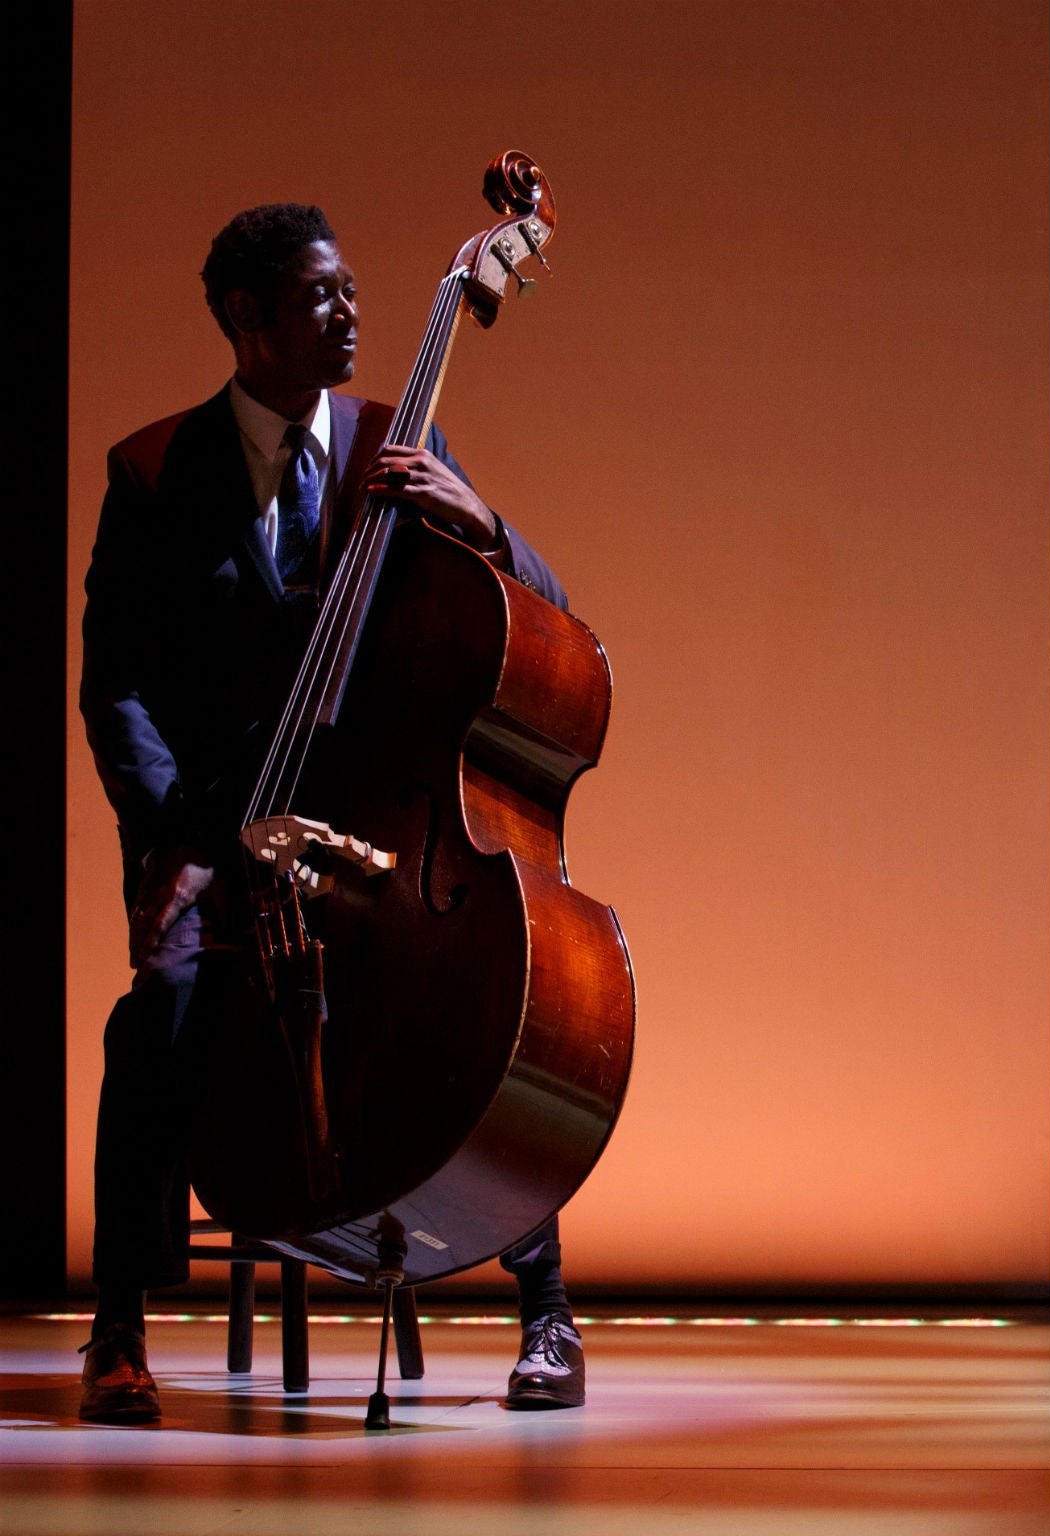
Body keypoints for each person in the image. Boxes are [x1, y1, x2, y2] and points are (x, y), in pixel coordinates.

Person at [78, 203, 588, 1423]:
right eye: (320, 296)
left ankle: (548, 1313)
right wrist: (170, 842)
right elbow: (117, 685)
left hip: (379, 839)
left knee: (480, 1003)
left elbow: (554, 620)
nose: (350, 311)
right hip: (223, 839)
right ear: (245, 320)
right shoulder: (153, 473)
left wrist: (486, 526)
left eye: (354, 289)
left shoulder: (392, 449)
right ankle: (115, 1333)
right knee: (158, 1018)